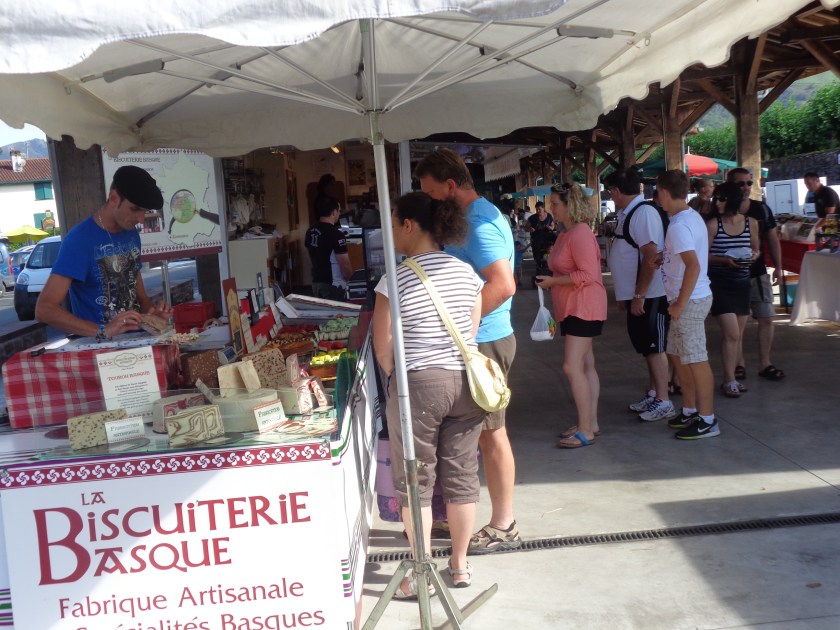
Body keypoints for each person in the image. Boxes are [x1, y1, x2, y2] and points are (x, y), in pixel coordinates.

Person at [372, 192, 485, 596]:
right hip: (467, 386)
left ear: (409, 225)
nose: (392, 232)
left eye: (394, 221)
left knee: (416, 481)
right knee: (461, 476)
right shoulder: (468, 274)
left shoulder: (395, 278)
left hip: (419, 384)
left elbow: (383, 347)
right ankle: (460, 565)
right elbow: (469, 334)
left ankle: (421, 574)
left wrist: (397, 381)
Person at [414, 148, 519, 555]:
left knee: (492, 435)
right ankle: (463, 514)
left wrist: (463, 327)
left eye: (432, 192)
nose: (430, 201)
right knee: (476, 434)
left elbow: (503, 284)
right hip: (478, 339)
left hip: (485, 341)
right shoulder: (474, 217)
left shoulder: (478, 223)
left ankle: (503, 524)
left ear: (451, 186)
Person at [35, 165, 170, 339]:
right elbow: (44, 309)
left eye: (145, 211)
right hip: (100, 351)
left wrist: (153, 317)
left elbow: (141, 296)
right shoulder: (79, 240)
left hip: (137, 342)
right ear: (113, 198)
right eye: (135, 209)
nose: (141, 219)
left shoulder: (131, 234)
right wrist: (103, 330)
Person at [536, 184, 607, 447]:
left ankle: (586, 429)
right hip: (574, 307)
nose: (550, 207)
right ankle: (589, 422)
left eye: (555, 203)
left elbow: (589, 275)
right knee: (585, 364)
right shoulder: (568, 233)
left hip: (584, 307)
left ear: (569, 205)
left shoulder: (579, 233)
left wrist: (553, 282)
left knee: (572, 365)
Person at [604, 169, 674, 422]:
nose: (610, 195)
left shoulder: (643, 213)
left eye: (610, 191)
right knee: (647, 347)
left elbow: (651, 256)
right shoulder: (631, 213)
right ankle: (656, 392)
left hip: (651, 295)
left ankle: (664, 400)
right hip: (641, 295)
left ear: (616, 190)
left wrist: (638, 294)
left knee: (655, 348)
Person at [654, 170, 718, 440]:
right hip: (686, 299)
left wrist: (680, 303)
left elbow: (693, 266)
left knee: (696, 359)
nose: (656, 198)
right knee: (678, 355)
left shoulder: (679, 224)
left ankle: (707, 419)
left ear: (665, 193)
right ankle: (690, 409)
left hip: (688, 301)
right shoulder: (689, 217)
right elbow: (686, 257)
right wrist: (664, 257)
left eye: (657, 192)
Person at [726, 168, 785, 381]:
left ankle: (765, 363)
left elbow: (772, 239)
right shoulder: (721, 210)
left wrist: (778, 266)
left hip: (757, 273)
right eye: (740, 183)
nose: (745, 187)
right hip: (731, 275)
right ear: (730, 185)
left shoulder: (761, 210)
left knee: (767, 317)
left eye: (749, 183)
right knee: (737, 324)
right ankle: (738, 363)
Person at [706, 182, 759, 398]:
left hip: (742, 283)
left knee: (737, 336)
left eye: (721, 198)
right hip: (719, 283)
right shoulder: (712, 224)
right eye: (716, 198)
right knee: (732, 333)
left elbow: (756, 249)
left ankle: (732, 378)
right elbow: (702, 255)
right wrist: (724, 260)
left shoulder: (751, 223)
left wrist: (752, 256)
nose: (717, 202)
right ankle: (728, 380)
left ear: (733, 200)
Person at [304, 197, 352, 301]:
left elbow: (309, 257)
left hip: (316, 283)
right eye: (339, 211)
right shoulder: (336, 234)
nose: (339, 214)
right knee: (338, 316)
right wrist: (352, 280)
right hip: (333, 286)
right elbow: (344, 264)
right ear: (334, 212)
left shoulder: (310, 231)